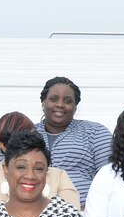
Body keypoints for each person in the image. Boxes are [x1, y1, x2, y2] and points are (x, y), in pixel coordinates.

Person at [35, 76, 112, 206]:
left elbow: (111, 178)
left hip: (82, 211)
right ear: (43, 103)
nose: (60, 104)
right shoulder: (26, 132)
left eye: (68, 101)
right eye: (54, 99)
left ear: (75, 107)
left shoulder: (95, 132)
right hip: (32, 214)